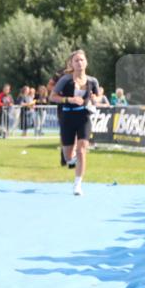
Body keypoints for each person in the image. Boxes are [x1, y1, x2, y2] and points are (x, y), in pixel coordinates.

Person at [49, 50, 100, 196]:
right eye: (76, 60)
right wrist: (69, 100)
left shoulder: (92, 81)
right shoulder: (65, 80)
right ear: (72, 63)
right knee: (68, 156)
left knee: (82, 150)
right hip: (67, 118)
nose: (79, 63)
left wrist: (95, 98)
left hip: (84, 117)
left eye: (82, 60)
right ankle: (71, 161)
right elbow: (53, 97)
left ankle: (77, 184)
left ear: (86, 62)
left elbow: (98, 94)